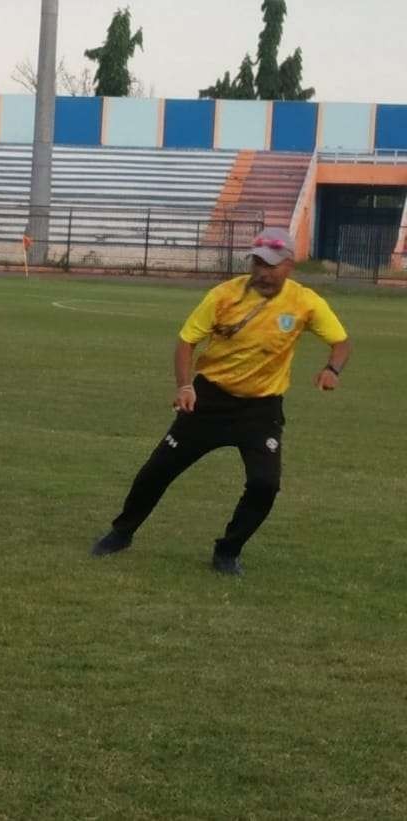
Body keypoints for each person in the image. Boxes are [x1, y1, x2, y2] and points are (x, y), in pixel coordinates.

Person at [91, 227, 352, 576]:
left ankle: (228, 551)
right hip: (209, 400)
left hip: (261, 409)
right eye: (257, 263)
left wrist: (332, 369)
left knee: (265, 485)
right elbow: (187, 341)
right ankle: (121, 533)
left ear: (290, 264)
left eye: (272, 265)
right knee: (158, 470)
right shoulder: (223, 296)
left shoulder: (306, 303)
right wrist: (185, 386)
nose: (263, 271)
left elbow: (341, 341)